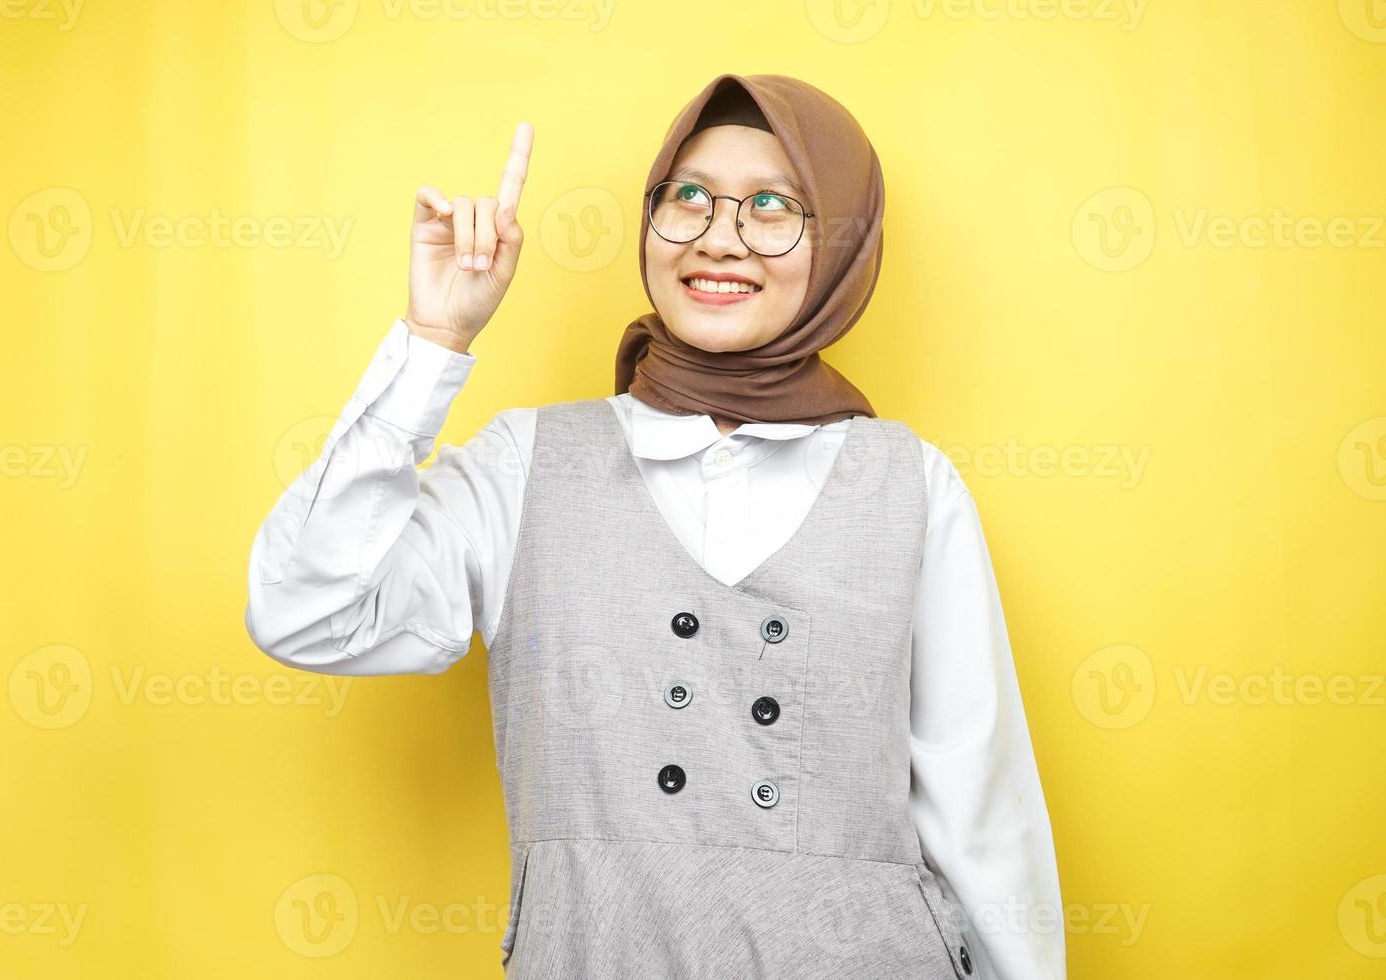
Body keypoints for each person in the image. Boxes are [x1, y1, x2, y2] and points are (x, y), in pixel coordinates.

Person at [245, 73, 1065, 979]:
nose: (721, 236)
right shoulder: (526, 466)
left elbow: (983, 814)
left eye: (772, 206)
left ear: (841, 243)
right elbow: (306, 609)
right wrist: (432, 343)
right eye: (690, 198)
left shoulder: (911, 485)